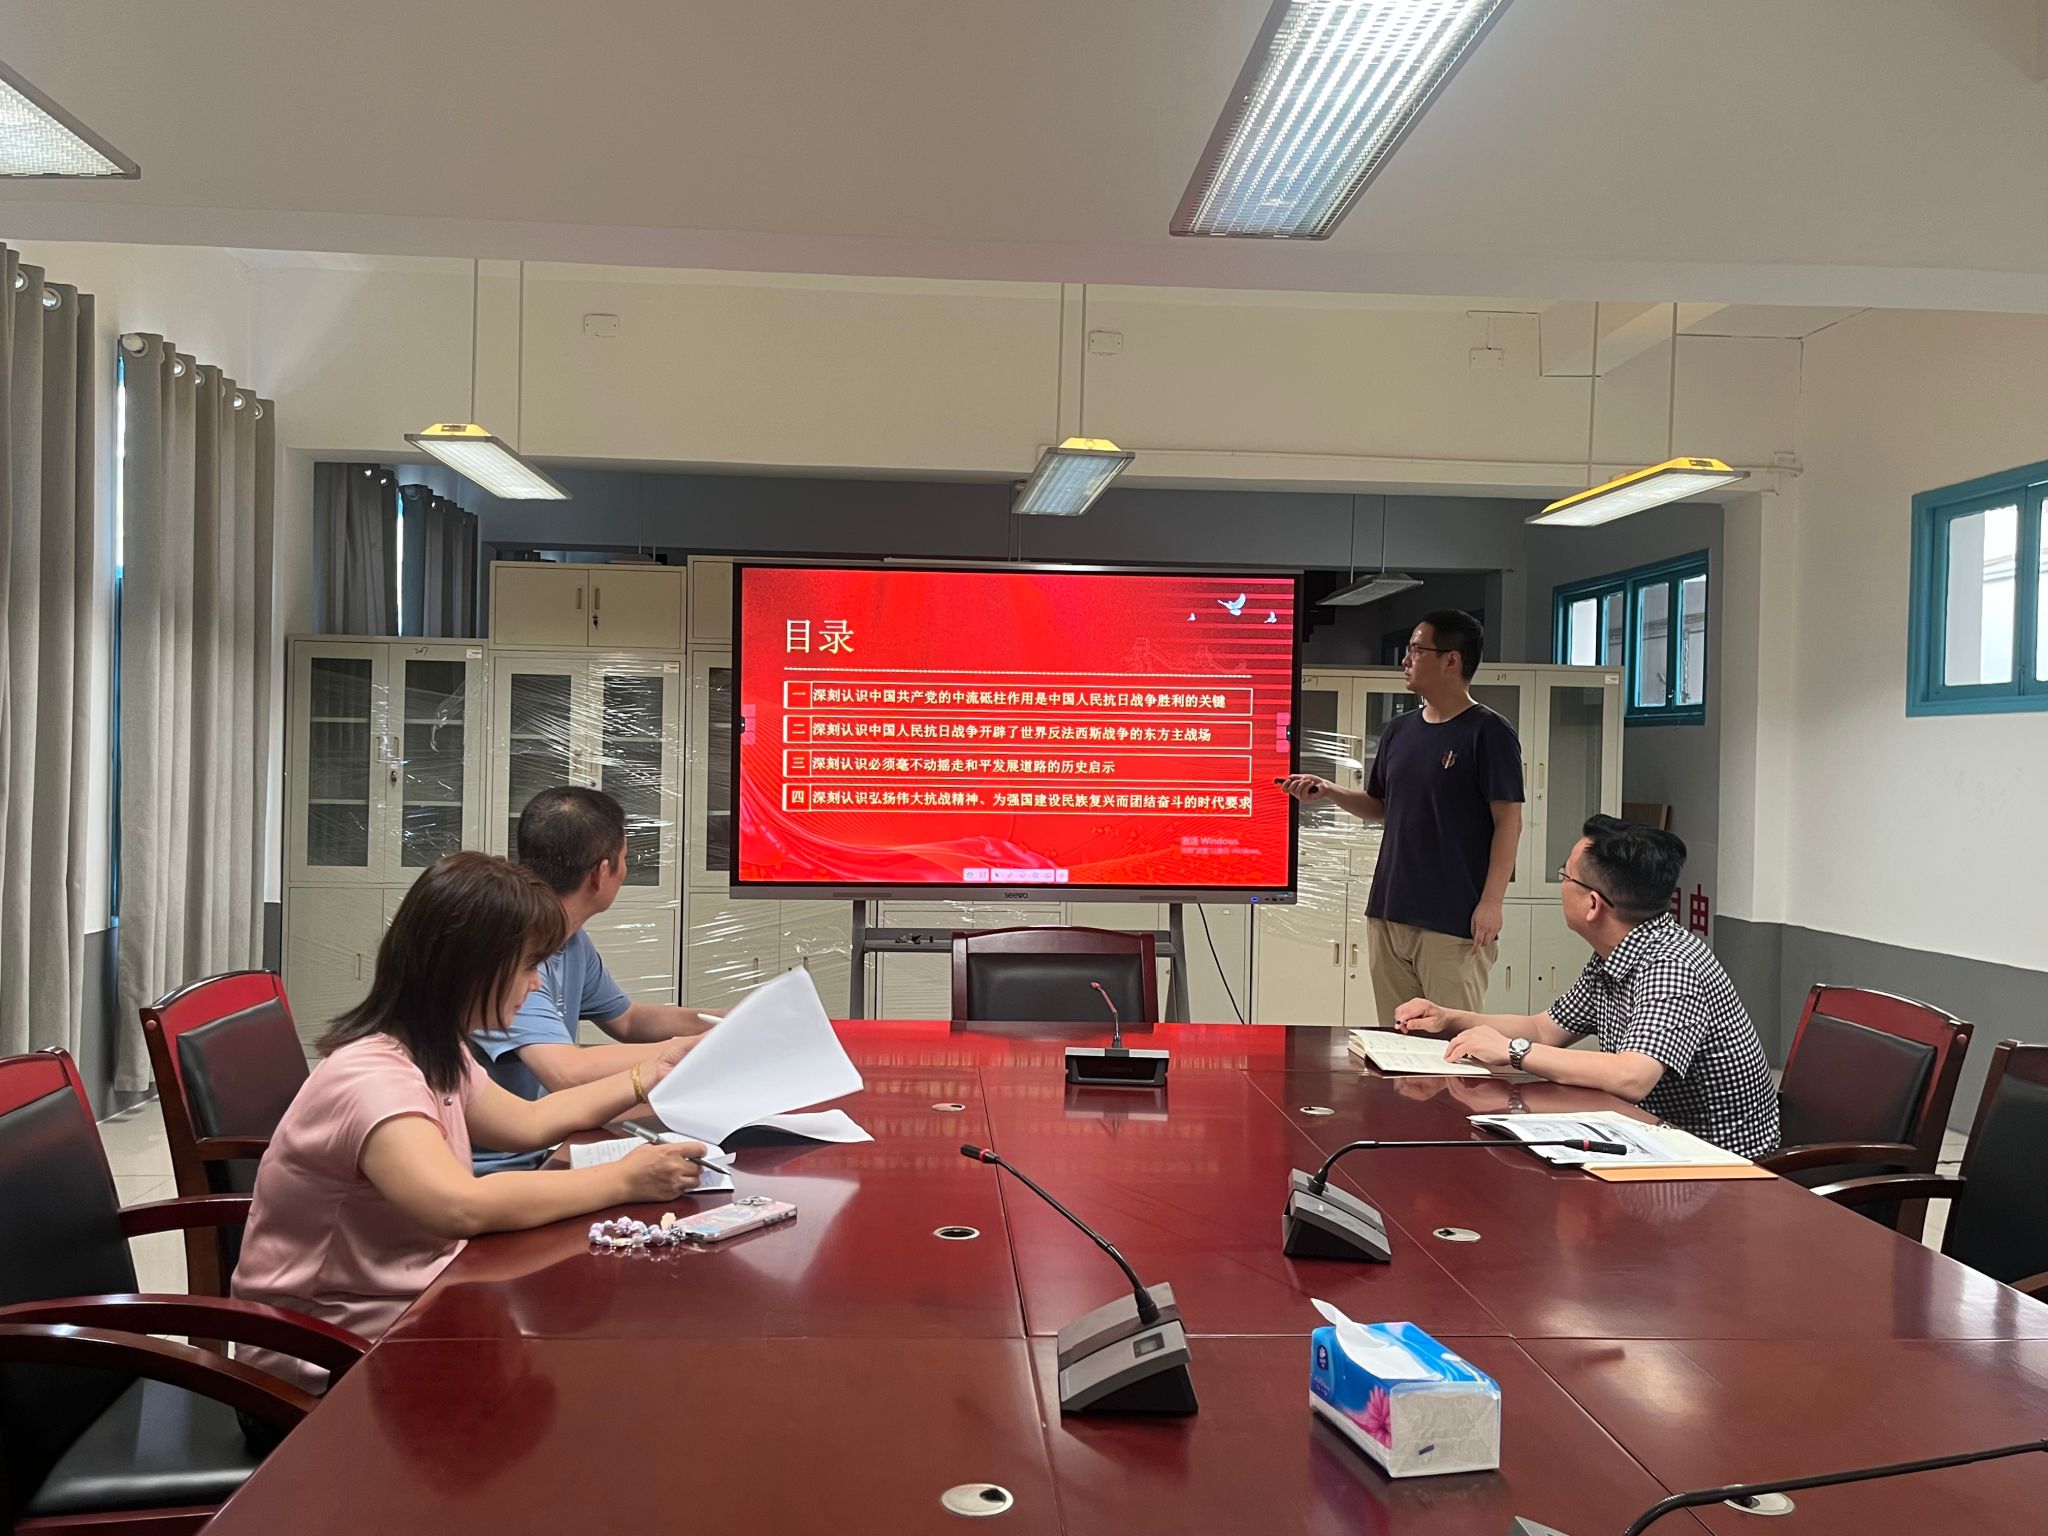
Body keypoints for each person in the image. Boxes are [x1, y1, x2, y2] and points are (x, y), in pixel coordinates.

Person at [232, 851, 708, 1420]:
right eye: (528, 966)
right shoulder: (373, 1079)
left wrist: (648, 1073)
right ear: (469, 966)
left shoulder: (434, 1049)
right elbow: (459, 1206)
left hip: (409, 1316)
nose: (536, 984)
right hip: (322, 1369)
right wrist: (626, 1179)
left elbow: (527, 1122)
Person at [1394, 815, 1780, 1159]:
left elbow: (1631, 1076)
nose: (1562, 883)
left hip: (1714, 1161)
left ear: (1593, 905)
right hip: (1648, 1135)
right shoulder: (1616, 953)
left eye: (1566, 876)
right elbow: (1544, 1029)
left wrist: (1513, 1051)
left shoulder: (1672, 964)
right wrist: (1450, 1018)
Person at [1282, 609, 1524, 1023]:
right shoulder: (1399, 730)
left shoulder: (1489, 733)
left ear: (1451, 660)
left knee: (1451, 1043)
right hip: (1389, 910)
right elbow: (1380, 806)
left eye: (1416, 649)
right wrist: (1330, 791)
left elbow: (1509, 822)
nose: (1405, 659)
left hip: (1451, 919)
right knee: (1396, 1038)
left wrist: (1492, 903)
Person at [471, 786, 721, 1170]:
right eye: (625, 859)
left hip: (540, 1143)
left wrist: (724, 1021)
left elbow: (627, 1019)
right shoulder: (507, 955)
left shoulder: (570, 940)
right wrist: (695, 1050)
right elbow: (566, 1072)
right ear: (602, 872)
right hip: (497, 1166)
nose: (535, 983)